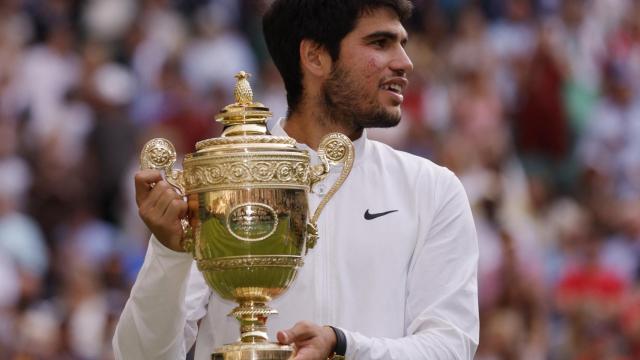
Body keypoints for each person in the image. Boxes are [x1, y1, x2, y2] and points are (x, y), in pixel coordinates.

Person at [113, 0, 479, 359]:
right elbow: (139, 356)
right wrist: (170, 254)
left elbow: (450, 346)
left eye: (402, 43)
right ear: (315, 57)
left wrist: (344, 345)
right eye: (380, 43)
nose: (404, 62)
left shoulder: (433, 190)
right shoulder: (221, 181)